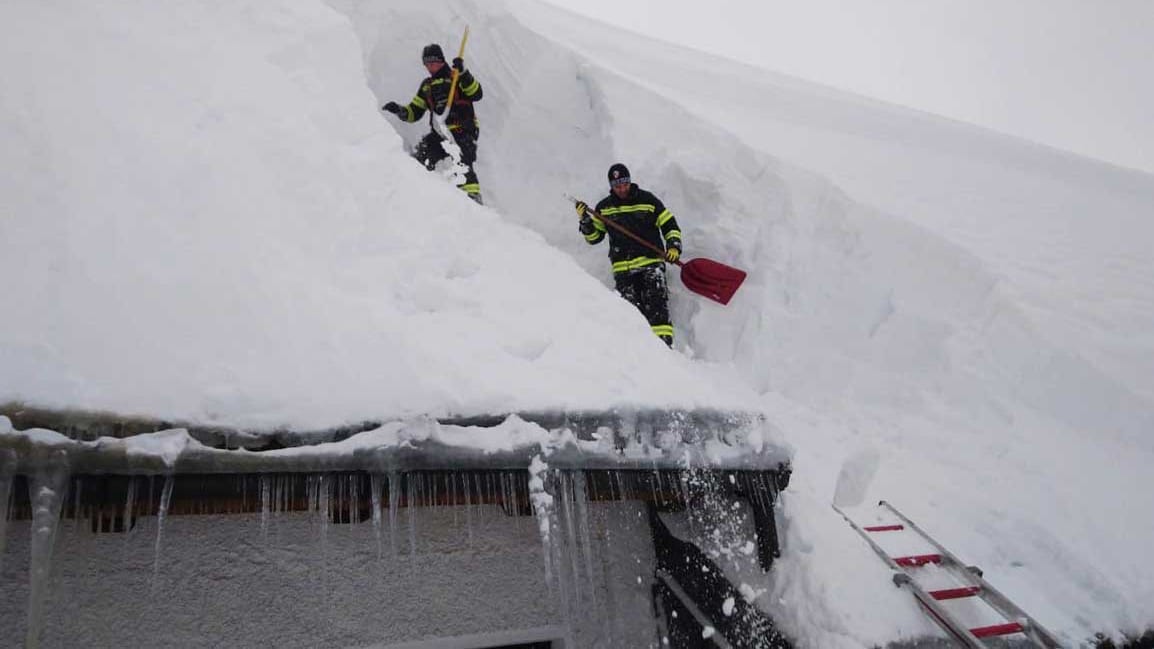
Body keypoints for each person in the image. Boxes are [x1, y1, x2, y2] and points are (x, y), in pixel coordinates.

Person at [576, 163, 682, 347]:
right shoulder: (604, 208)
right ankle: (638, 352)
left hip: (651, 264)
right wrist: (585, 220)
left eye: (624, 184)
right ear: (611, 186)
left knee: (657, 308)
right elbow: (594, 238)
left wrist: (673, 247)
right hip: (623, 271)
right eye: (617, 186)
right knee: (630, 315)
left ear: (629, 181)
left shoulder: (648, 201)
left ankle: (664, 349)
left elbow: (669, 224)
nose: (622, 189)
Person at [381, 43, 484, 204]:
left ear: (442, 60)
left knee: (463, 165)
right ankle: (416, 195)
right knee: (421, 157)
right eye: (427, 63)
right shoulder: (426, 86)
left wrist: (464, 73)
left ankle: (473, 201)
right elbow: (414, 112)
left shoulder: (456, 77)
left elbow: (477, 93)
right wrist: (399, 110)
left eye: (434, 62)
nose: (430, 66)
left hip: (462, 130)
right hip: (440, 133)